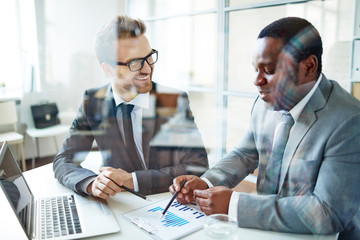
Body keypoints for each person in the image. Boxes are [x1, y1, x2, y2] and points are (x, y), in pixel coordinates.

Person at [170, 17, 360, 239]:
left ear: (309, 66)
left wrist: (235, 204)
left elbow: (326, 213)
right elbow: (244, 155)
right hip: (262, 231)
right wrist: (206, 181)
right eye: (256, 69)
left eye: (269, 70)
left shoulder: (349, 121)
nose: (257, 81)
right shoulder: (265, 102)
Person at [53, 15, 208, 199]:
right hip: (120, 202)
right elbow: (64, 160)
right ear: (108, 69)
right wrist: (92, 183)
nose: (148, 69)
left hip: (169, 200)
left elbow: (198, 166)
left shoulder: (173, 101)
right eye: (134, 62)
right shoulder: (93, 101)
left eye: (149, 57)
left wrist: (132, 180)